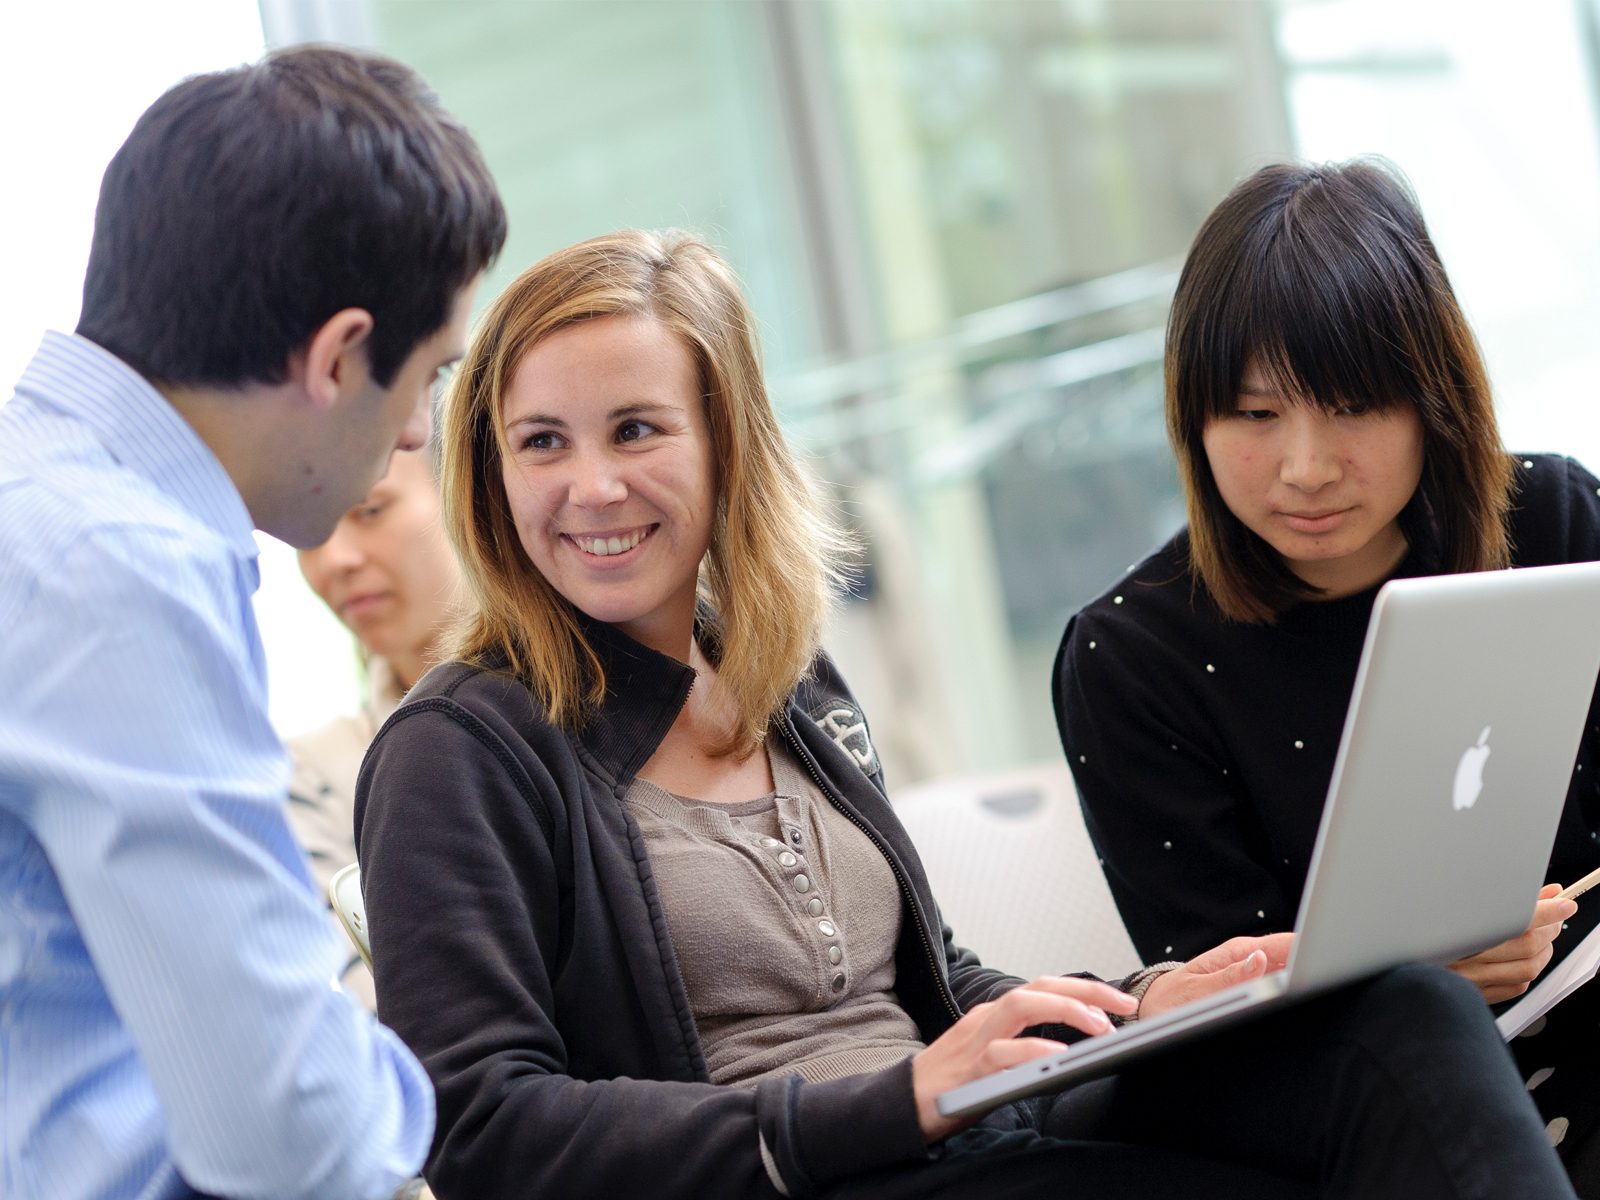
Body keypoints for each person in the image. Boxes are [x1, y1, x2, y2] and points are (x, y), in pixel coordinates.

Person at [354, 228, 1573, 1199]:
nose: (592, 486)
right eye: (540, 443)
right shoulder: (462, 751)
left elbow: (933, 984)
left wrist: (1144, 1003)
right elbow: (478, 1127)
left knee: (1394, 1019)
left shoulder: (789, 686)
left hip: (963, 1139)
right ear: (490, 471)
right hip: (848, 1167)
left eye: (636, 430)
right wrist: (899, 1103)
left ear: (729, 445)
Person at [0, 46, 505, 1200]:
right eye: (426, 375)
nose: (421, 431)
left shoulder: (41, 506)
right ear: (336, 358)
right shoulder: (112, 572)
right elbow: (291, 1132)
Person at [1055, 159, 1600, 1184]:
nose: (1305, 467)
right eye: (1254, 417)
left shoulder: (1557, 518)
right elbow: (1217, 1002)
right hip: (1378, 1107)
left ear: (1431, 399)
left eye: (1351, 407)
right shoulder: (1132, 656)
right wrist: (1397, 978)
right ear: (1193, 418)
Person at [291, 444, 462, 1009]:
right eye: (308, 532)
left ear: (465, 491)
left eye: (370, 510)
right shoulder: (313, 779)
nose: (335, 558)